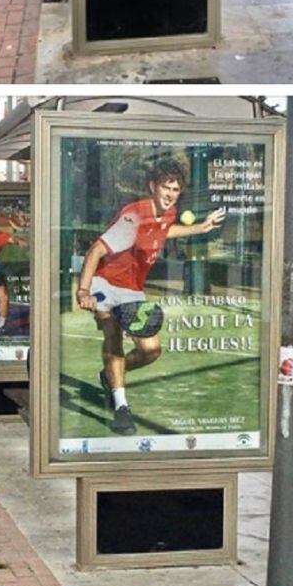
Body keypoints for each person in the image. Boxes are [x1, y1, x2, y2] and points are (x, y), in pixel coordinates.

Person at [76, 159, 225, 435]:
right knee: (112, 335)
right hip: (104, 284)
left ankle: (110, 375)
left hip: (132, 289)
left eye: (176, 189)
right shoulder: (134, 216)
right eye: (166, 188)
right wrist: (83, 291)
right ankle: (121, 407)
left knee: (151, 350)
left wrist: (200, 228)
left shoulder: (168, 213)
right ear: (152, 187)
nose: (170, 194)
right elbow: (96, 250)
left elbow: (165, 231)